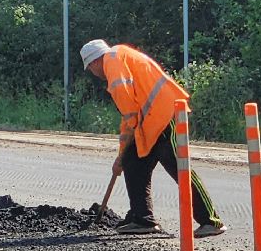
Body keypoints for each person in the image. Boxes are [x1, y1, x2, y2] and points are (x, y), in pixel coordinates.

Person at [81, 39, 226, 237]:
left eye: (90, 68)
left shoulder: (112, 63)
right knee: (133, 162)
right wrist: (122, 156)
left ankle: (211, 221)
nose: (93, 73)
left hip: (165, 116)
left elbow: (128, 110)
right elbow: (131, 113)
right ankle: (142, 219)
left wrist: (123, 149)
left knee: (179, 168)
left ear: (93, 62)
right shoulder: (119, 55)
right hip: (151, 121)